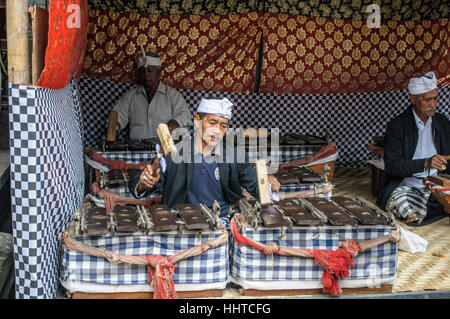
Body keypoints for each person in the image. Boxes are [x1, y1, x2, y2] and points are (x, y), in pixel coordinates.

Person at [128, 98, 280, 227]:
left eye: (223, 125)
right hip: (180, 222)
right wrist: (144, 182)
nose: (217, 130)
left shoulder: (235, 155)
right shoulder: (174, 153)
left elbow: (254, 183)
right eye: (212, 122)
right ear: (197, 121)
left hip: (222, 223)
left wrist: (267, 184)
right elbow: (142, 185)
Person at [377, 71, 450, 226]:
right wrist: (426, 163)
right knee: (401, 200)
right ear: (413, 99)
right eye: (428, 100)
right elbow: (392, 166)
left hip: (436, 186)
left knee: (442, 197)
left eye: (436, 98)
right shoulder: (397, 126)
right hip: (408, 186)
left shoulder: (442, 122)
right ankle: (423, 210)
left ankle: (437, 205)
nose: (434, 104)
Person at [112, 50, 192, 140]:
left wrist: (177, 121)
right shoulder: (130, 96)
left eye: (150, 71)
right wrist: (115, 125)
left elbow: (185, 114)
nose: (146, 75)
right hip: (137, 149)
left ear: (158, 74)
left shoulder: (173, 95)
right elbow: (118, 114)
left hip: (165, 150)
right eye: (143, 72)